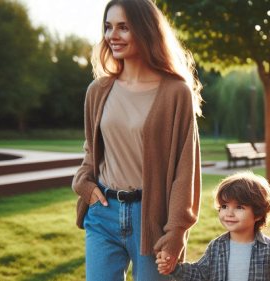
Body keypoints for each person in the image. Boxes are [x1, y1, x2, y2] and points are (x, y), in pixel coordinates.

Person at [72, 0, 202, 280]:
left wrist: (176, 231)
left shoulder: (175, 92)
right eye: (108, 27)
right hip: (103, 212)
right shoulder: (98, 90)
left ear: (145, 30)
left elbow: (185, 169)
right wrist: (83, 181)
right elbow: (91, 150)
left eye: (123, 28)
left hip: (152, 219)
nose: (112, 36)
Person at [156, 171, 270, 281]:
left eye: (239, 207)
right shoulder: (216, 247)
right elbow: (200, 274)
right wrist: (174, 268)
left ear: (258, 214)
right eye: (224, 206)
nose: (229, 213)